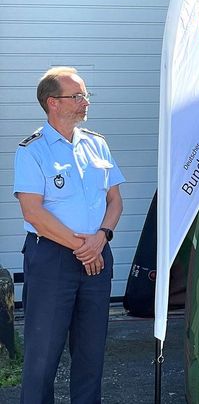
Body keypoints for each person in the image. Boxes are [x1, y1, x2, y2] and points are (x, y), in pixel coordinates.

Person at [13, 67, 124, 403]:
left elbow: (115, 200)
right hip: (53, 259)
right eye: (76, 96)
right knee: (42, 357)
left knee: (91, 355)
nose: (84, 101)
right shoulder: (32, 150)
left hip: (97, 256)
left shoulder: (97, 145)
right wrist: (83, 247)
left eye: (85, 95)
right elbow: (33, 213)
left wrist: (101, 238)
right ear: (53, 103)